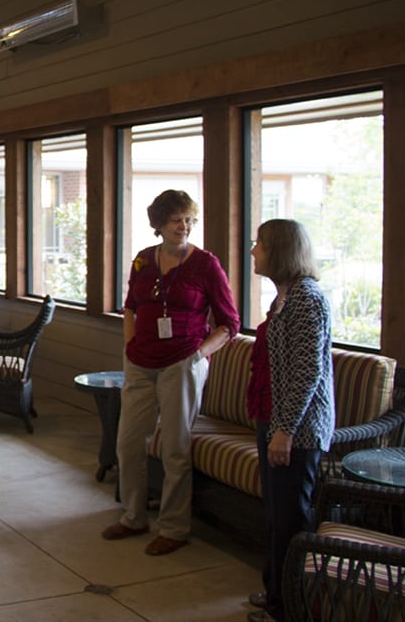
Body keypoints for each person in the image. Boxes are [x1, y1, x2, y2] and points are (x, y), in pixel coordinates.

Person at [102, 189, 239, 556]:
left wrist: (198, 355)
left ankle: (174, 528)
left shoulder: (206, 264)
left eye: (189, 219)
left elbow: (229, 323)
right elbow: (130, 306)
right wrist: (130, 345)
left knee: (176, 448)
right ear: (159, 224)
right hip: (140, 361)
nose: (184, 226)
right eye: (177, 219)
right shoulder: (144, 261)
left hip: (181, 363)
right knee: (129, 442)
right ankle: (133, 517)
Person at [245, 219, 334, 622]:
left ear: (279, 250)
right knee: (276, 515)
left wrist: (284, 431)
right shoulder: (283, 297)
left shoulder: (307, 299)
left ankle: (292, 607)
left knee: (292, 519)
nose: (253, 251)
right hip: (276, 421)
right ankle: (275, 592)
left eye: (259, 244)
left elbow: (305, 372)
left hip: (298, 430)